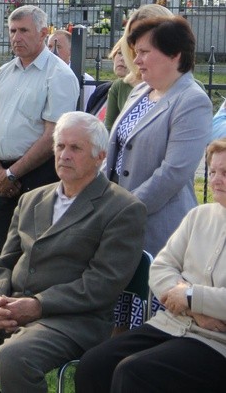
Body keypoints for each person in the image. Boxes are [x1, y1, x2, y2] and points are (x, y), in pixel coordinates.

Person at [0, 111, 147, 393]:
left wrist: (37, 305)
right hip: (10, 307)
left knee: (13, 359)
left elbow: (102, 284)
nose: (64, 155)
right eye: (60, 146)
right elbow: (4, 261)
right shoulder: (32, 198)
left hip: (72, 320)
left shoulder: (123, 208)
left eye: (76, 148)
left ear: (100, 157)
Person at [75, 139, 226, 393]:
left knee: (135, 372)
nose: (215, 179)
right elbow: (161, 268)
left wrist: (189, 297)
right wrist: (191, 308)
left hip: (216, 343)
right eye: (212, 171)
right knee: (94, 364)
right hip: (173, 323)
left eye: (225, 173)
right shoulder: (200, 216)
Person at [0, 5, 79, 258]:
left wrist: (12, 173)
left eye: (23, 30)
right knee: (0, 254)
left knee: (33, 257)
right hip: (0, 176)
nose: (16, 37)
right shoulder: (2, 74)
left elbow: (53, 136)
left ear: (43, 32)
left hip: (38, 177)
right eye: (12, 30)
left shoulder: (58, 75)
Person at [105, 16, 211, 256]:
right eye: (135, 52)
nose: (136, 60)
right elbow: (116, 150)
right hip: (114, 221)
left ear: (175, 55)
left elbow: (173, 172)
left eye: (144, 52)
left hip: (158, 229)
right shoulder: (140, 91)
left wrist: (125, 209)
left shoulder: (192, 101)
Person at [104, 4, 174, 131]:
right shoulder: (121, 87)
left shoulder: (187, 91)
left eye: (144, 36)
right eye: (133, 37)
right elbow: (109, 135)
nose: (137, 43)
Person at [48, 29, 95, 110]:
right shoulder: (39, 74)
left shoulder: (86, 79)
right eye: (49, 46)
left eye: (58, 47)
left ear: (70, 51)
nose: (52, 51)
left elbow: (85, 110)